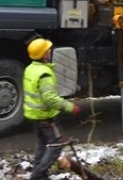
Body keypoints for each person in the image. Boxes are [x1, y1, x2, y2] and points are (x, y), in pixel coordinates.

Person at [23, 37, 81, 180]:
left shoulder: (30, 69)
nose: (50, 51)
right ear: (44, 54)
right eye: (47, 50)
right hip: (46, 117)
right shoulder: (44, 74)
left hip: (35, 115)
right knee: (57, 145)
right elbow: (50, 99)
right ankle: (37, 175)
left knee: (43, 142)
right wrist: (70, 107)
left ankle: (38, 170)